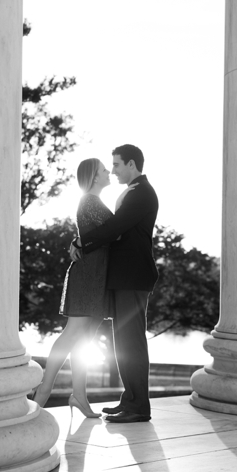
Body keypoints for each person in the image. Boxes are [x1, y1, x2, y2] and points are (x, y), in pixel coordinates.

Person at [70, 144, 159, 424]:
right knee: (123, 342)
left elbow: (116, 227)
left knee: (132, 341)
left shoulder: (142, 193)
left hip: (133, 276)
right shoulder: (133, 192)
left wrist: (82, 241)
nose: (114, 170)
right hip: (123, 277)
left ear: (131, 164)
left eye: (117, 165)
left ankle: (138, 407)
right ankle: (130, 400)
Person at [32, 158, 115, 418]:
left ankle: (79, 395)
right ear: (93, 177)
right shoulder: (90, 201)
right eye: (103, 169)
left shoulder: (94, 201)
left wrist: (78, 239)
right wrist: (79, 240)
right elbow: (115, 232)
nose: (108, 171)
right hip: (87, 277)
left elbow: (101, 235)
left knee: (84, 340)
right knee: (73, 333)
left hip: (97, 277)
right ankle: (45, 387)